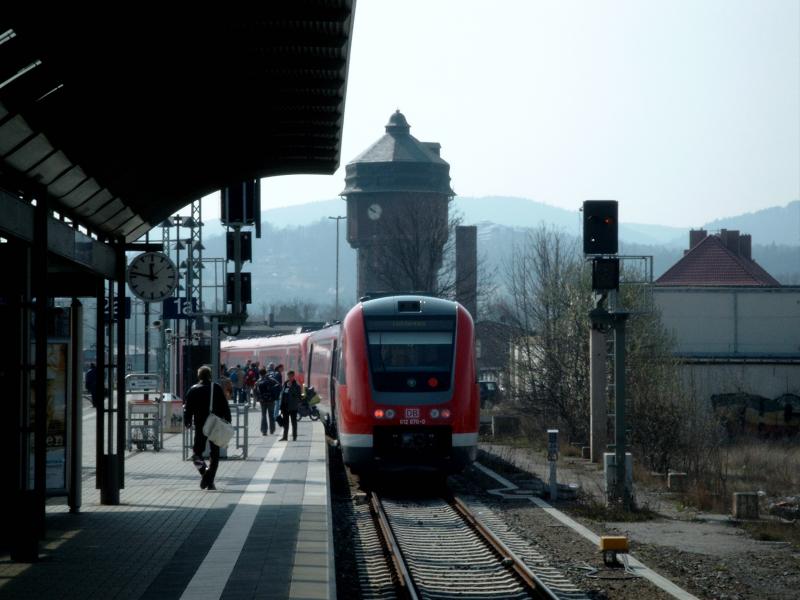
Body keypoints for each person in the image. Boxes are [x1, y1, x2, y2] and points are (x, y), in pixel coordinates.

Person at [183, 365, 231, 491]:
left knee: (196, 454)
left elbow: (188, 409)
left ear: (198, 376)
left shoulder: (193, 390)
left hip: (200, 425)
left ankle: (204, 473)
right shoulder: (216, 388)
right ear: (210, 375)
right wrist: (228, 420)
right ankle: (210, 480)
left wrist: (187, 421)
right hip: (215, 424)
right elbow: (225, 405)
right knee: (215, 453)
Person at [279, 370, 302, 441]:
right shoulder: (285, 384)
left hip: (293, 407)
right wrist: (281, 405)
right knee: (285, 422)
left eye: (290, 376)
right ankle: (285, 437)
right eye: (288, 376)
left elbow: (298, 396)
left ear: (293, 376)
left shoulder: (297, 385)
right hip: (285, 406)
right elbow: (282, 394)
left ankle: (294, 436)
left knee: (293, 422)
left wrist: (291, 387)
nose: (289, 377)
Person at [256, 367, 278, 435]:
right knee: (271, 415)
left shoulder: (258, 381)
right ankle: (272, 430)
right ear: (266, 373)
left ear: (260, 374)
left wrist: (258, 398)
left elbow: (255, 390)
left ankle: (264, 431)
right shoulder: (271, 380)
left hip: (262, 400)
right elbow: (278, 386)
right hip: (271, 400)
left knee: (264, 415)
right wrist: (275, 396)